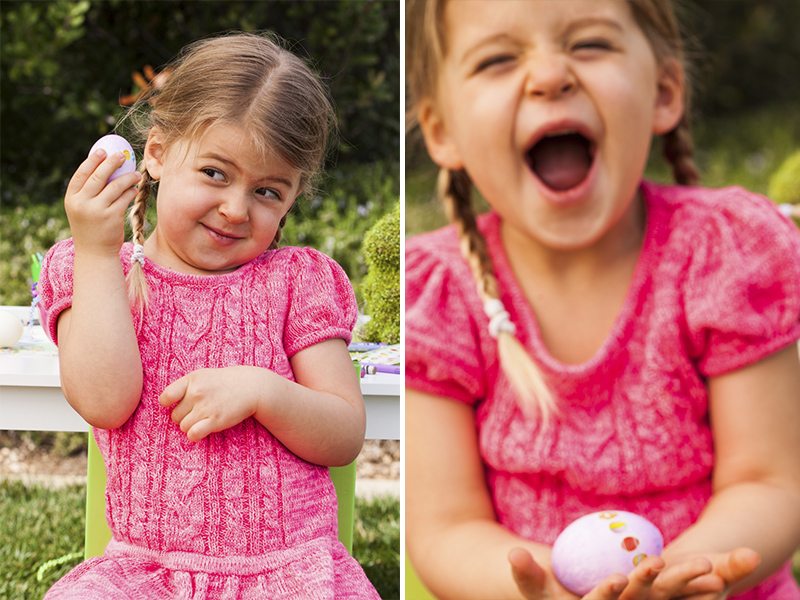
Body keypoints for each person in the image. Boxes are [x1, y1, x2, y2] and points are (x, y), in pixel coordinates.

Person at [405, 1, 800, 599]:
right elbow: (445, 528)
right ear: (442, 131)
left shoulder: (724, 257)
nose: (549, 77)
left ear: (665, 91)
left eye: (589, 44)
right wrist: (549, 589)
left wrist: (682, 576)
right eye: (497, 58)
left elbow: (770, 481)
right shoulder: (438, 298)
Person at [39, 32, 379, 599]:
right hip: (148, 574)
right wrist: (97, 252)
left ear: (293, 198)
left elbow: (343, 434)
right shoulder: (100, 271)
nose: (235, 208)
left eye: (268, 191)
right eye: (216, 173)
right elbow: (103, 402)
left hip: (289, 573)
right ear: (157, 153)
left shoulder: (296, 281)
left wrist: (263, 392)